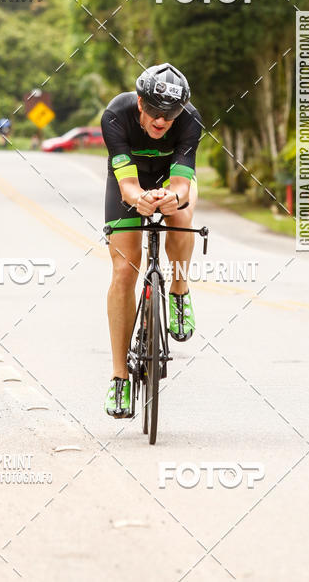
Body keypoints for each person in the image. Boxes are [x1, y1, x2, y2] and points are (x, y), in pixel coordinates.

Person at [101, 63, 202, 418]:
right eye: (156, 112)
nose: (162, 121)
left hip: (168, 180)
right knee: (124, 272)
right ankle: (119, 377)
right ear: (141, 104)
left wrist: (172, 199)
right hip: (129, 180)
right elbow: (127, 186)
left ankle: (178, 288)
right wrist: (137, 198)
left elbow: (181, 187)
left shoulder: (190, 120)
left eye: (170, 115)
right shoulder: (116, 114)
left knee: (183, 215)